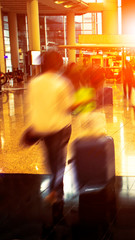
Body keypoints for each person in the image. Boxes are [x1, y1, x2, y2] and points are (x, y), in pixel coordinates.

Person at [26, 51, 75, 205]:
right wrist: (84, 100)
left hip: (42, 128)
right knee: (59, 162)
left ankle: (56, 189)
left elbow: (32, 105)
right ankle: (55, 190)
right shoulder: (61, 83)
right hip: (59, 127)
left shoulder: (34, 82)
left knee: (51, 161)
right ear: (59, 64)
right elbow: (68, 107)